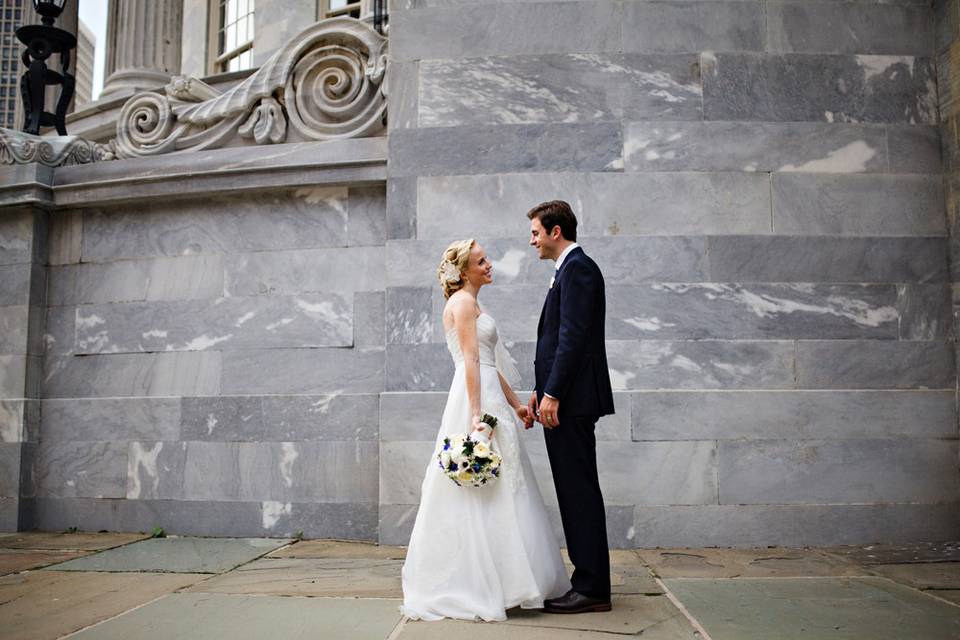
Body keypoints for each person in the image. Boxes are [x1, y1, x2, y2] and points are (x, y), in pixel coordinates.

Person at [399, 238, 570, 622]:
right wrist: (477, 416)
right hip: (474, 398)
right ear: (463, 271)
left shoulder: (475, 302)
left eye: (487, 259)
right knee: (484, 485)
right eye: (481, 261)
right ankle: (480, 582)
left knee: (509, 483)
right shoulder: (461, 304)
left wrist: (514, 405)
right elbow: (471, 362)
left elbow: (491, 363)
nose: (489, 264)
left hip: (490, 392)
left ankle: (515, 580)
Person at [527, 200, 615, 614]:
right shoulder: (568, 270)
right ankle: (589, 581)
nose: (533, 241)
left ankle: (592, 587)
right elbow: (558, 340)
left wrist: (554, 393)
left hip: (572, 403)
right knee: (574, 490)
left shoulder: (578, 269)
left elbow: (573, 338)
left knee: (578, 492)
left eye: (536, 233)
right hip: (564, 398)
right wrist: (540, 388)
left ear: (555, 231)